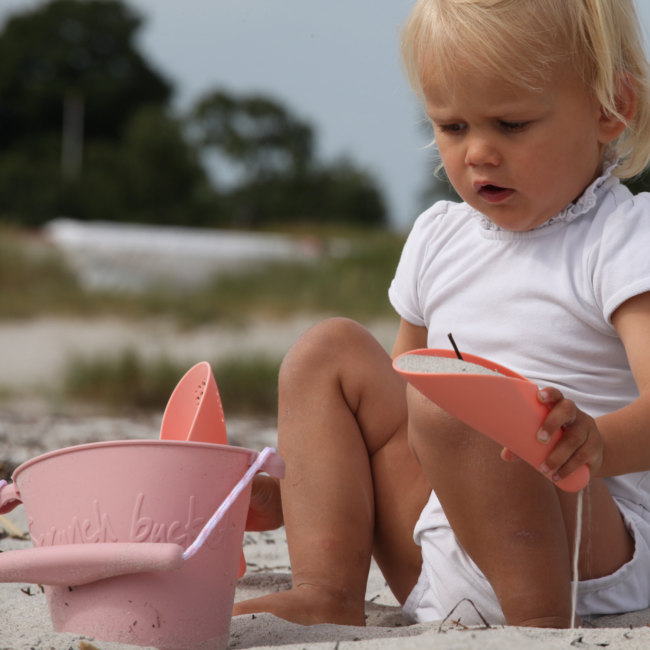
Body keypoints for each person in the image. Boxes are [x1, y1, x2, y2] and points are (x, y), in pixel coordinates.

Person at [233, 0, 650, 629]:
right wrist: (302, 491)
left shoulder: (622, 238)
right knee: (331, 351)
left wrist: (594, 443)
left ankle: (538, 631)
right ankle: (326, 589)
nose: (478, 152)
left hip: (585, 546)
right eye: (452, 127)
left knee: (455, 398)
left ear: (609, 110)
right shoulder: (438, 236)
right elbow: (403, 423)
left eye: (511, 124)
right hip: (444, 543)